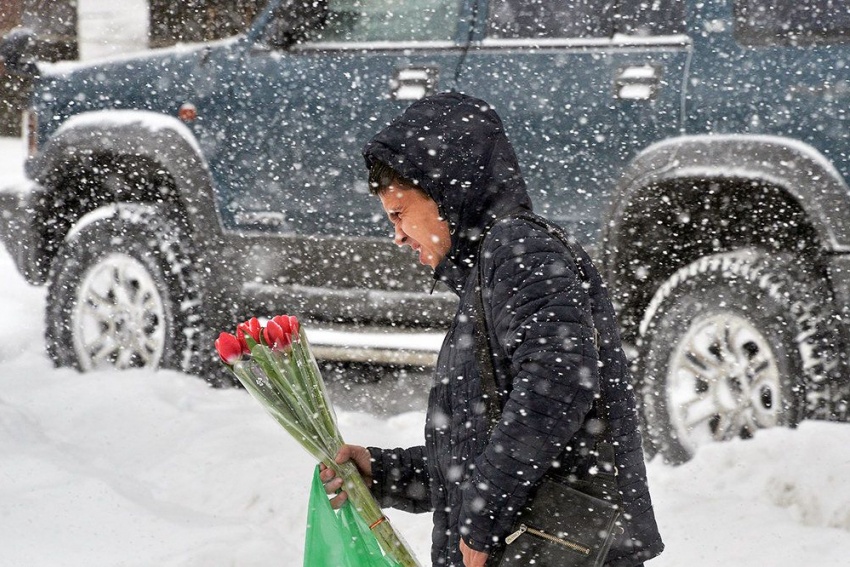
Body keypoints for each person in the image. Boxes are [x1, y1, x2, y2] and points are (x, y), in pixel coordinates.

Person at [318, 92, 664, 567]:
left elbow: (557, 385)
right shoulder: (489, 272)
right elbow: (479, 448)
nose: (396, 235)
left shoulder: (517, 248)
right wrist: (385, 472)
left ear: (443, 190)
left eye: (399, 213)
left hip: (558, 548)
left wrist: (484, 521)